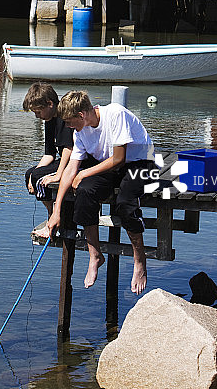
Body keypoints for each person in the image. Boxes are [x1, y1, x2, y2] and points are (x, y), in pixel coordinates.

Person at [47, 91, 155, 295]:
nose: (68, 127)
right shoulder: (80, 131)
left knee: (125, 202)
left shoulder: (115, 114)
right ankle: (95, 254)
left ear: (81, 115)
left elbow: (119, 158)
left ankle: (139, 259)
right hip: (110, 166)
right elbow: (72, 168)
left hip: (141, 163)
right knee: (85, 192)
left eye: (70, 122)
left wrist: (84, 173)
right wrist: (56, 210)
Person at [23, 83, 74, 234]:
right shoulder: (49, 120)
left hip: (76, 160)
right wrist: (33, 175)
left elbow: (68, 149)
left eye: (38, 112)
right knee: (30, 174)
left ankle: (54, 218)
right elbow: (49, 154)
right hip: (65, 159)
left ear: (50, 104)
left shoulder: (64, 116)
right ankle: (51, 214)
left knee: (38, 176)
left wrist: (58, 174)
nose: (37, 116)